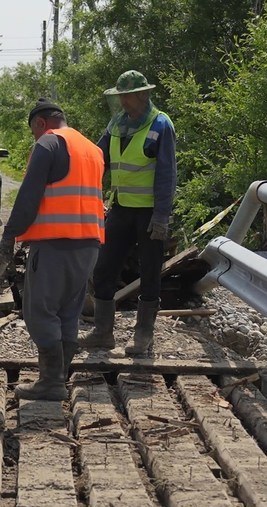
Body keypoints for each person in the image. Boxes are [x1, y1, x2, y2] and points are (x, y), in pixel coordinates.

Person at [0, 99, 105, 401]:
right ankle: (57, 379)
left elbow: (29, 196)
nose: (35, 137)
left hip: (55, 245)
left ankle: (51, 382)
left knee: (40, 311)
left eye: (33, 130)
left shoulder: (49, 144)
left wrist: (10, 235)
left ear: (41, 123)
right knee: (68, 313)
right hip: (89, 245)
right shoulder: (92, 149)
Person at [79, 70, 177, 354]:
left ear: (143, 95)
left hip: (149, 214)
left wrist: (161, 217)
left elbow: (167, 175)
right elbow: (99, 159)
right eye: (120, 96)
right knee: (104, 268)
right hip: (121, 209)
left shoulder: (160, 125)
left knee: (150, 275)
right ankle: (102, 333)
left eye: (127, 95)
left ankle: (143, 337)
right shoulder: (116, 124)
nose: (123, 101)